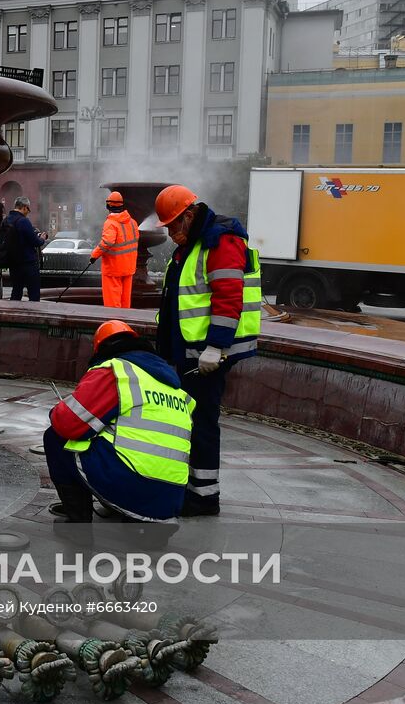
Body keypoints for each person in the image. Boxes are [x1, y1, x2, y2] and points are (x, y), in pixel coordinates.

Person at [154, 184, 262, 517]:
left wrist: (216, 346)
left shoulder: (220, 240)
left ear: (189, 215)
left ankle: (204, 496)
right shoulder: (194, 244)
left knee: (201, 421)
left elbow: (229, 297)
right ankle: (192, 486)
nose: (171, 233)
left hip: (207, 354)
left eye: (174, 225)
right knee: (190, 420)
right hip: (190, 351)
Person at [45, 320, 194, 524]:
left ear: (101, 350)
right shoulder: (174, 388)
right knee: (118, 434)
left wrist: (59, 410)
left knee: (56, 438)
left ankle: (78, 521)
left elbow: (68, 422)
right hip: (171, 500)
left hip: (133, 487)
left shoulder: (115, 371)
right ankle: (126, 511)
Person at [91, 190, 140, 308]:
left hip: (113, 268)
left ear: (108, 205)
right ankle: (124, 323)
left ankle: (114, 324)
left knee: (112, 304)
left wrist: (94, 255)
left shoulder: (111, 223)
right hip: (128, 267)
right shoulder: (133, 222)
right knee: (125, 302)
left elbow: (107, 242)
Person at [3, 197, 48, 302]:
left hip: (13, 262)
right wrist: (42, 238)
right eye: (28, 209)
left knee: (16, 291)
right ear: (24, 207)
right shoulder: (23, 221)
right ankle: (34, 316)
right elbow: (35, 242)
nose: (28, 212)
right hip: (28, 263)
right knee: (34, 293)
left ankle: (13, 315)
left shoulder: (6, 220)